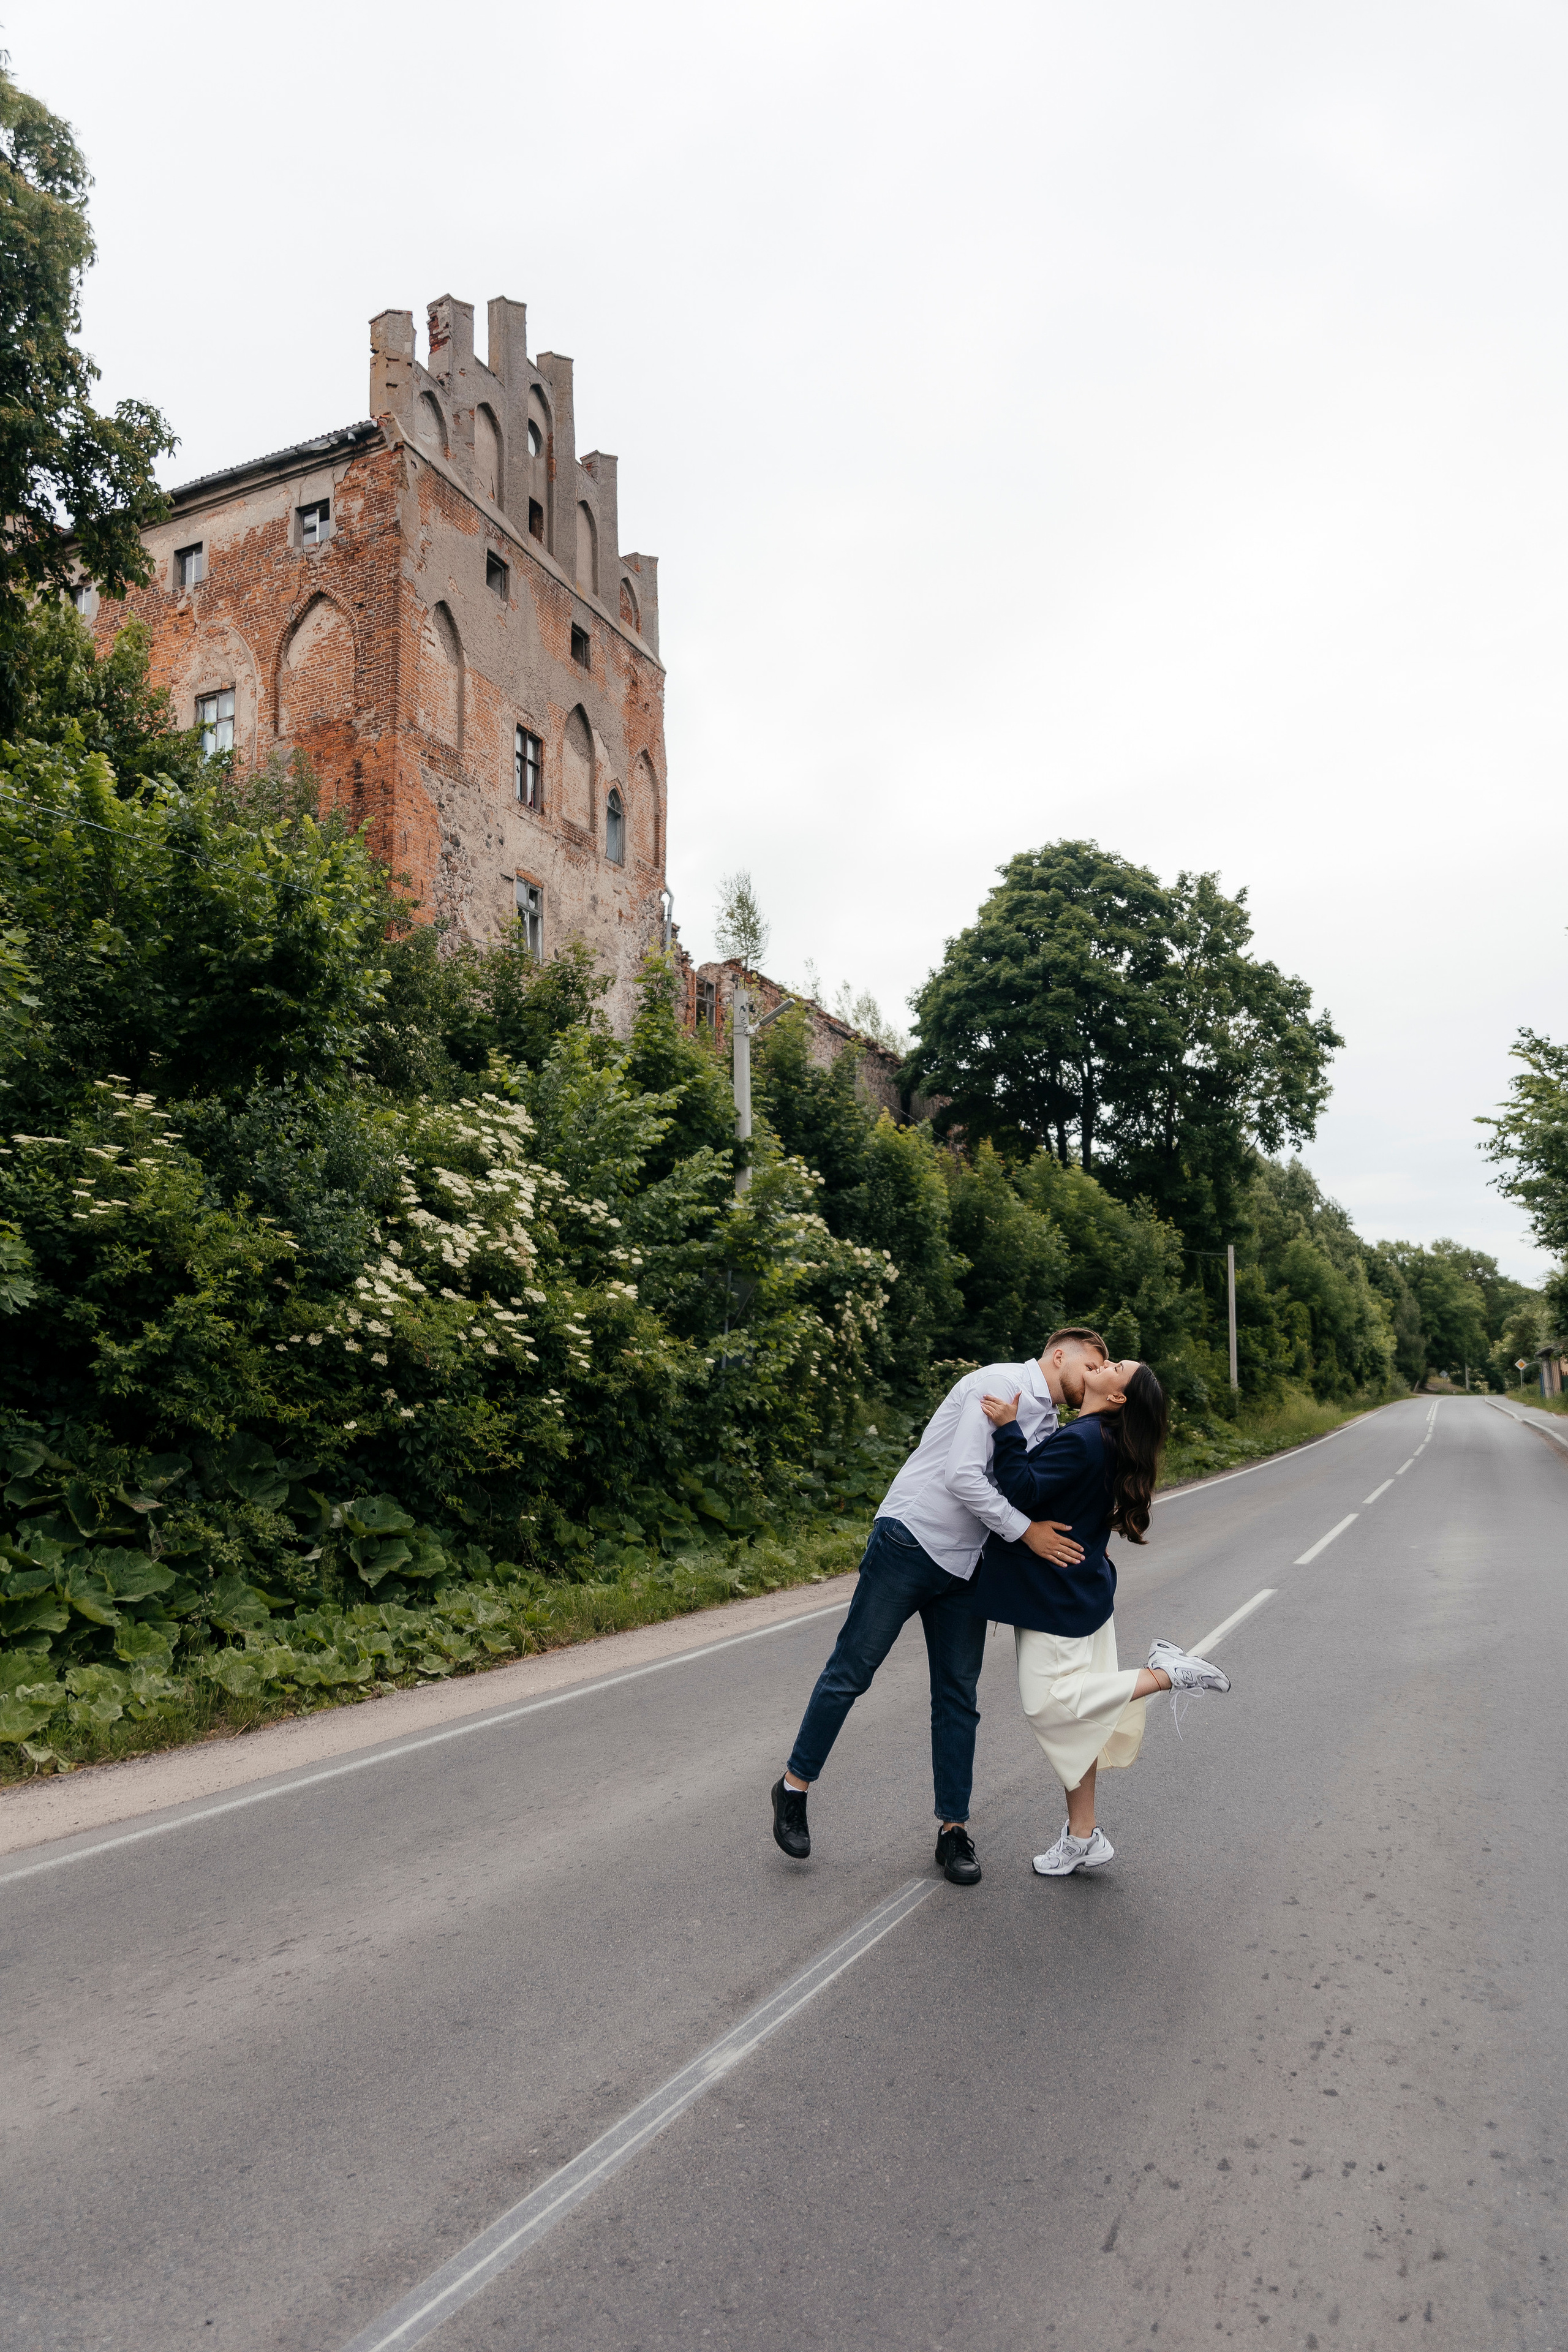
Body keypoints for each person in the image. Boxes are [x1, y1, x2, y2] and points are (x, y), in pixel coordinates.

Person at [770, 1327, 1109, 1885]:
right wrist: (1026, 1532)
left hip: (970, 1566)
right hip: (911, 1540)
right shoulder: (998, 1384)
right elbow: (962, 1476)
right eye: (1092, 1364)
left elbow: (1033, 1486)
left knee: (957, 1698)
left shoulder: (1050, 1424)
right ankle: (793, 1789)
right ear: (1059, 1355)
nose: (1095, 1376)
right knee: (851, 1672)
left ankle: (953, 1831)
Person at [962, 1359, 1230, 1877]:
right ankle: (1083, 1837)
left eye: (1115, 1366)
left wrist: (1008, 1431)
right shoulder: (1101, 1440)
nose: (1104, 1362)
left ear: (1118, 1397)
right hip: (1079, 1593)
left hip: (1054, 1600)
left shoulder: (1084, 1439)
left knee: (1049, 1704)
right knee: (1080, 1720)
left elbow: (1020, 1491)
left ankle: (1165, 1674)